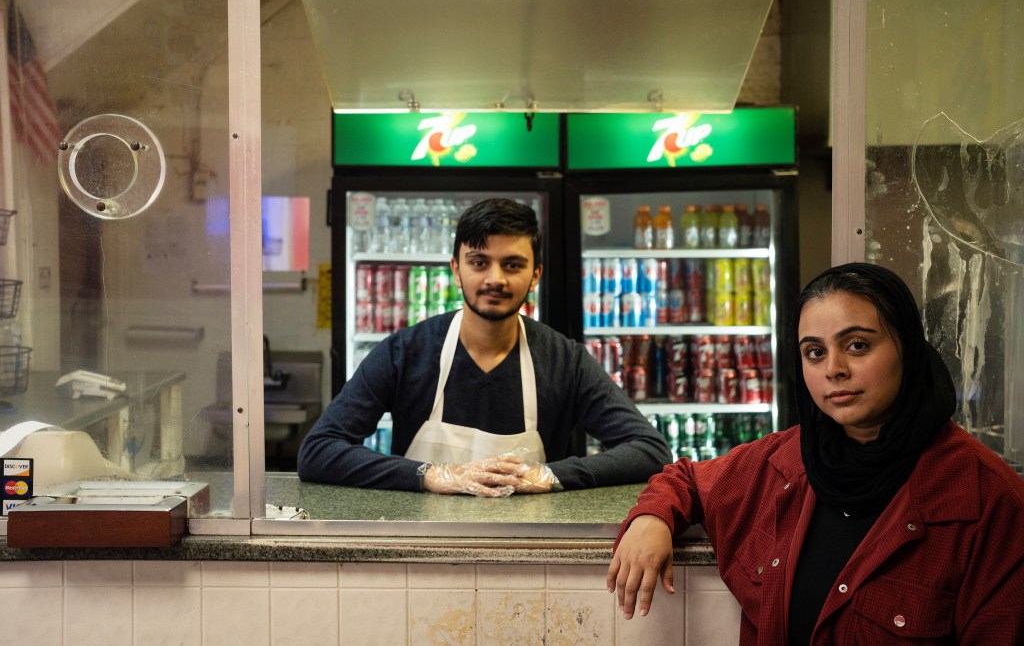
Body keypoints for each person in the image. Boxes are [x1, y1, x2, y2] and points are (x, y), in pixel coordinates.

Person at [607, 262, 1024, 644]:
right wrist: (651, 519)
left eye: (857, 345)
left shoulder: (987, 498)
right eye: (815, 352)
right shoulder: (783, 461)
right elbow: (688, 480)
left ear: (908, 349)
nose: (833, 369)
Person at [299, 197, 671, 496]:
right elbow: (318, 450)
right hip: (418, 544)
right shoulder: (405, 353)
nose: (495, 278)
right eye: (479, 262)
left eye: (512, 265)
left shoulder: (564, 361)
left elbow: (650, 450)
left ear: (535, 275)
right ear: (456, 270)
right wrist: (430, 475)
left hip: (533, 545)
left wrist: (550, 475)